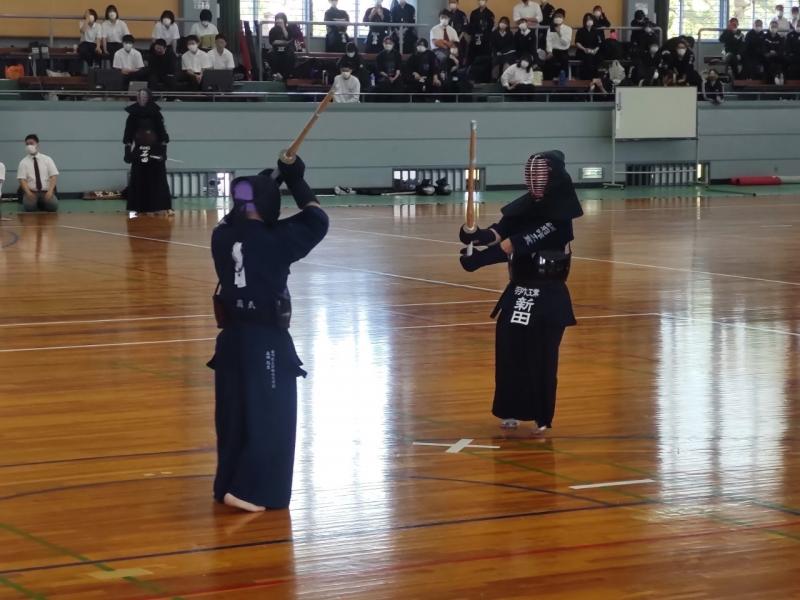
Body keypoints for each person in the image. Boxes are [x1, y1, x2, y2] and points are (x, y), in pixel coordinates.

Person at [209, 155, 329, 512]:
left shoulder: (221, 235)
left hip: (230, 340)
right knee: (271, 416)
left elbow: (237, 217)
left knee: (233, 415)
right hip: (266, 340)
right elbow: (317, 219)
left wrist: (268, 183)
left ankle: (228, 483)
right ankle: (252, 490)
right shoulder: (277, 241)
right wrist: (295, 180)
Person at [458, 150, 582, 433]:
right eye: (532, 174)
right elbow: (499, 232)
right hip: (519, 293)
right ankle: (510, 409)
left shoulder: (560, 217)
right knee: (509, 351)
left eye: (541, 174)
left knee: (542, 356)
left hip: (548, 296)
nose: (534, 180)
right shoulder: (524, 207)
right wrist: (474, 234)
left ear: (554, 177)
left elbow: (517, 243)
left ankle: (541, 416)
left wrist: (479, 260)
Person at [123, 89, 171, 214]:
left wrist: (163, 152)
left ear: (149, 98)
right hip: (140, 151)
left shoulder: (156, 114)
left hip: (155, 150)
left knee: (157, 179)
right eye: (139, 97)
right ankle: (140, 207)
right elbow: (128, 135)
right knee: (140, 178)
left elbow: (162, 134)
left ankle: (159, 206)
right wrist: (127, 151)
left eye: (144, 97)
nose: (141, 99)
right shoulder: (133, 115)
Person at [17, 135, 59, 213]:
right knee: (29, 208)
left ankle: (41, 203)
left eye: (31, 143)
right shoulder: (23, 162)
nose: (29, 146)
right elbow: (22, 180)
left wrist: (50, 191)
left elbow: (53, 176)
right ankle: (39, 204)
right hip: (31, 192)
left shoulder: (47, 159)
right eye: (27, 144)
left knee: (53, 206)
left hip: (46, 191)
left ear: (37, 144)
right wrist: (28, 193)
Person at [268, 13, 296, 81]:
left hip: (287, 50)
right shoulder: (273, 30)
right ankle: (276, 74)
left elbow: (288, 38)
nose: (279, 21)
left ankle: (286, 76)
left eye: (280, 19)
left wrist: (283, 27)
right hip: (276, 50)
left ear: (284, 20)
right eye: (277, 19)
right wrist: (285, 42)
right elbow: (272, 42)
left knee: (290, 55)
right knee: (271, 55)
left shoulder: (289, 29)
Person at [545, 9, 571, 79]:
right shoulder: (550, 28)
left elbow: (566, 43)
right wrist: (549, 51)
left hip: (563, 51)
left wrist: (559, 33)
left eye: (560, 16)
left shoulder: (568, 29)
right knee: (548, 61)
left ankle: (564, 80)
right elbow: (548, 41)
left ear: (563, 18)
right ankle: (549, 81)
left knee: (564, 60)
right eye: (556, 16)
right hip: (553, 51)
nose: (558, 18)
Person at [575, 13, 603, 79]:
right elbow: (577, 42)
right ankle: (587, 79)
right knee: (588, 58)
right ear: (584, 21)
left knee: (598, 58)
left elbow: (599, 43)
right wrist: (584, 49)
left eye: (590, 19)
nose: (589, 20)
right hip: (583, 51)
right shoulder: (580, 31)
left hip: (594, 51)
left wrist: (595, 50)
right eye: (587, 19)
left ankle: (595, 78)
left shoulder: (596, 31)